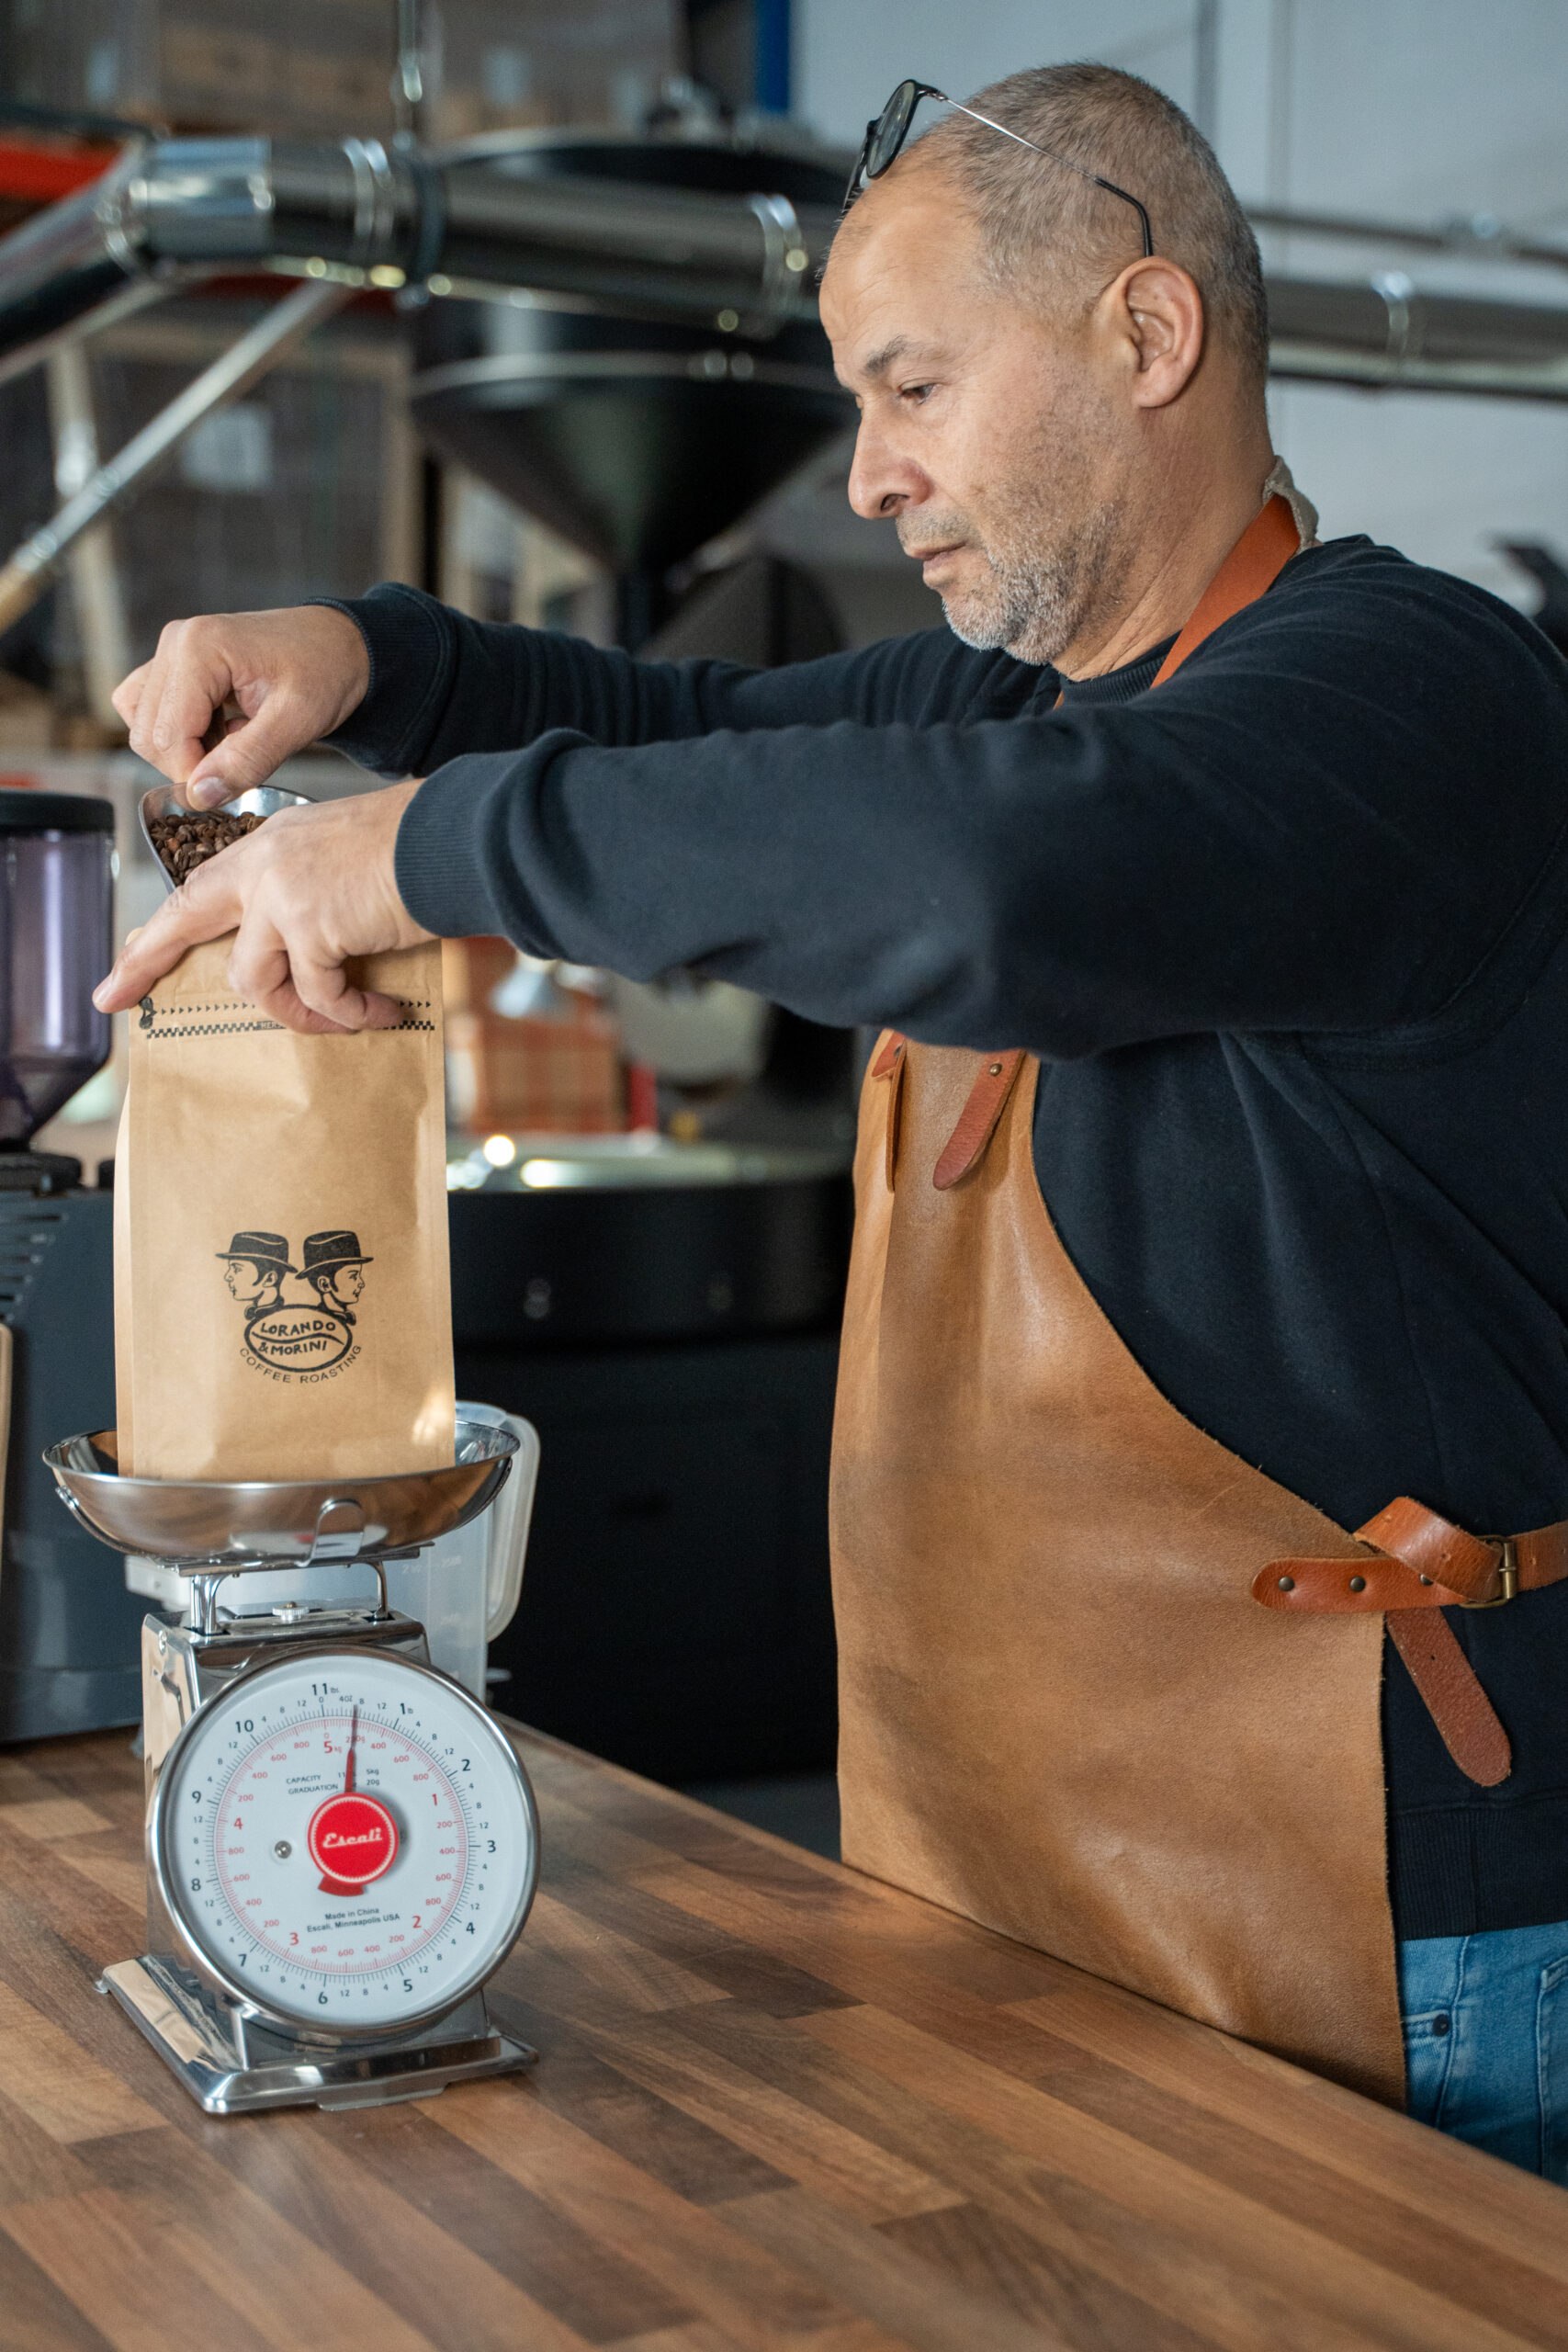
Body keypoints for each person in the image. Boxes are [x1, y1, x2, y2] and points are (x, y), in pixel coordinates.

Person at [96, 62, 1568, 2177]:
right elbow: (663, 728)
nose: (867, 474)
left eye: (909, 389)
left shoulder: (1415, 697)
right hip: (993, 1869)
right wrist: (366, 659)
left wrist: (421, 855)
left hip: (1384, 1916)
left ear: (1143, 340)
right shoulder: (1012, 700)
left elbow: (1004, 877)